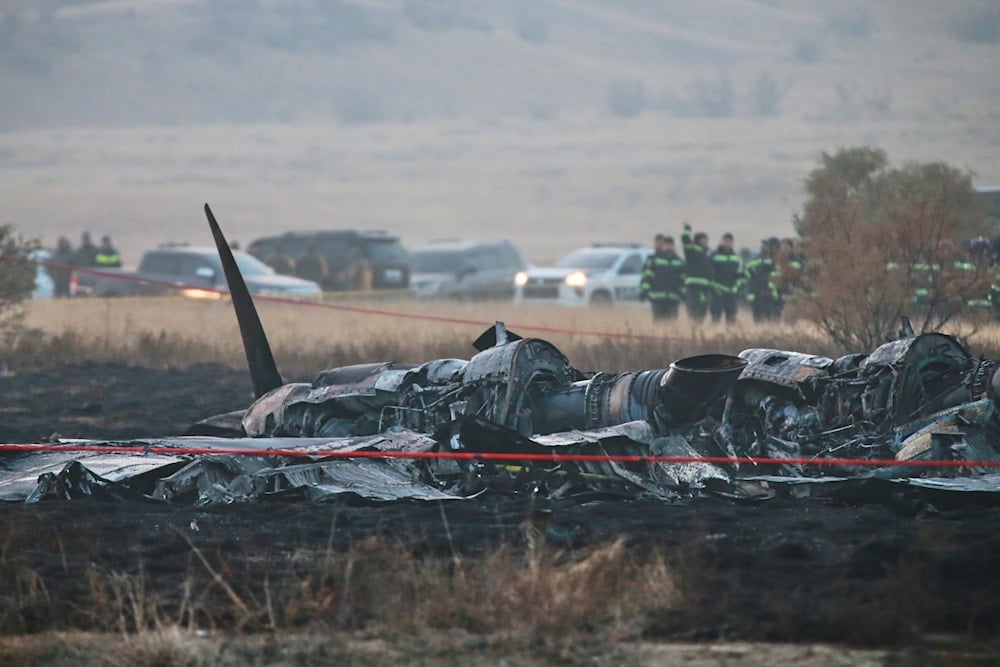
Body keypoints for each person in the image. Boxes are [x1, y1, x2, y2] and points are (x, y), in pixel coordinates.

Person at [639, 234, 685, 321]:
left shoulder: (679, 261)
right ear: (663, 246)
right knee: (658, 323)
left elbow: (682, 279)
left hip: (673, 298)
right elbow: (647, 276)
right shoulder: (654, 259)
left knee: (671, 324)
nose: (668, 247)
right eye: (666, 245)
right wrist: (644, 291)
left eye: (670, 245)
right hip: (657, 297)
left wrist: (683, 293)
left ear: (673, 246)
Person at [744, 238, 782, 322]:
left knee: (770, 319)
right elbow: (749, 277)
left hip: (769, 295)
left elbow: (776, 278)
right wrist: (750, 292)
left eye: (767, 246)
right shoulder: (755, 261)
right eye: (764, 246)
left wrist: (774, 291)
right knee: (758, 319)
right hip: (757, 294)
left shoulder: (774, 262)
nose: (764, 247)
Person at [681, 222, 712, 323]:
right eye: (705, 239)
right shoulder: (692, 250)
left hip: (704, 288)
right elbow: (685, 241)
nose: (707, 242)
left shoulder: (706, 254)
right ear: (699, 240)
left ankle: (698, 330)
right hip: (693, 286)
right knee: (693, 311)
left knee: (702, 312)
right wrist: (687, 229)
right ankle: (693, 329)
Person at [710, 232, 741, 325]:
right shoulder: (714, 255)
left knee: (732, 316)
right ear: (722, 241)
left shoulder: (736, 257)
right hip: (718, 290)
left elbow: (739, 274)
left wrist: (737, 286)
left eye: (730, 241)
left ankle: (731, 337)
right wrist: (714, 287)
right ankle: (713, 335)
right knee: (716, 316)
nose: (727, 243)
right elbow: (710, 273)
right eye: (725, 241)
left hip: (732, 290)